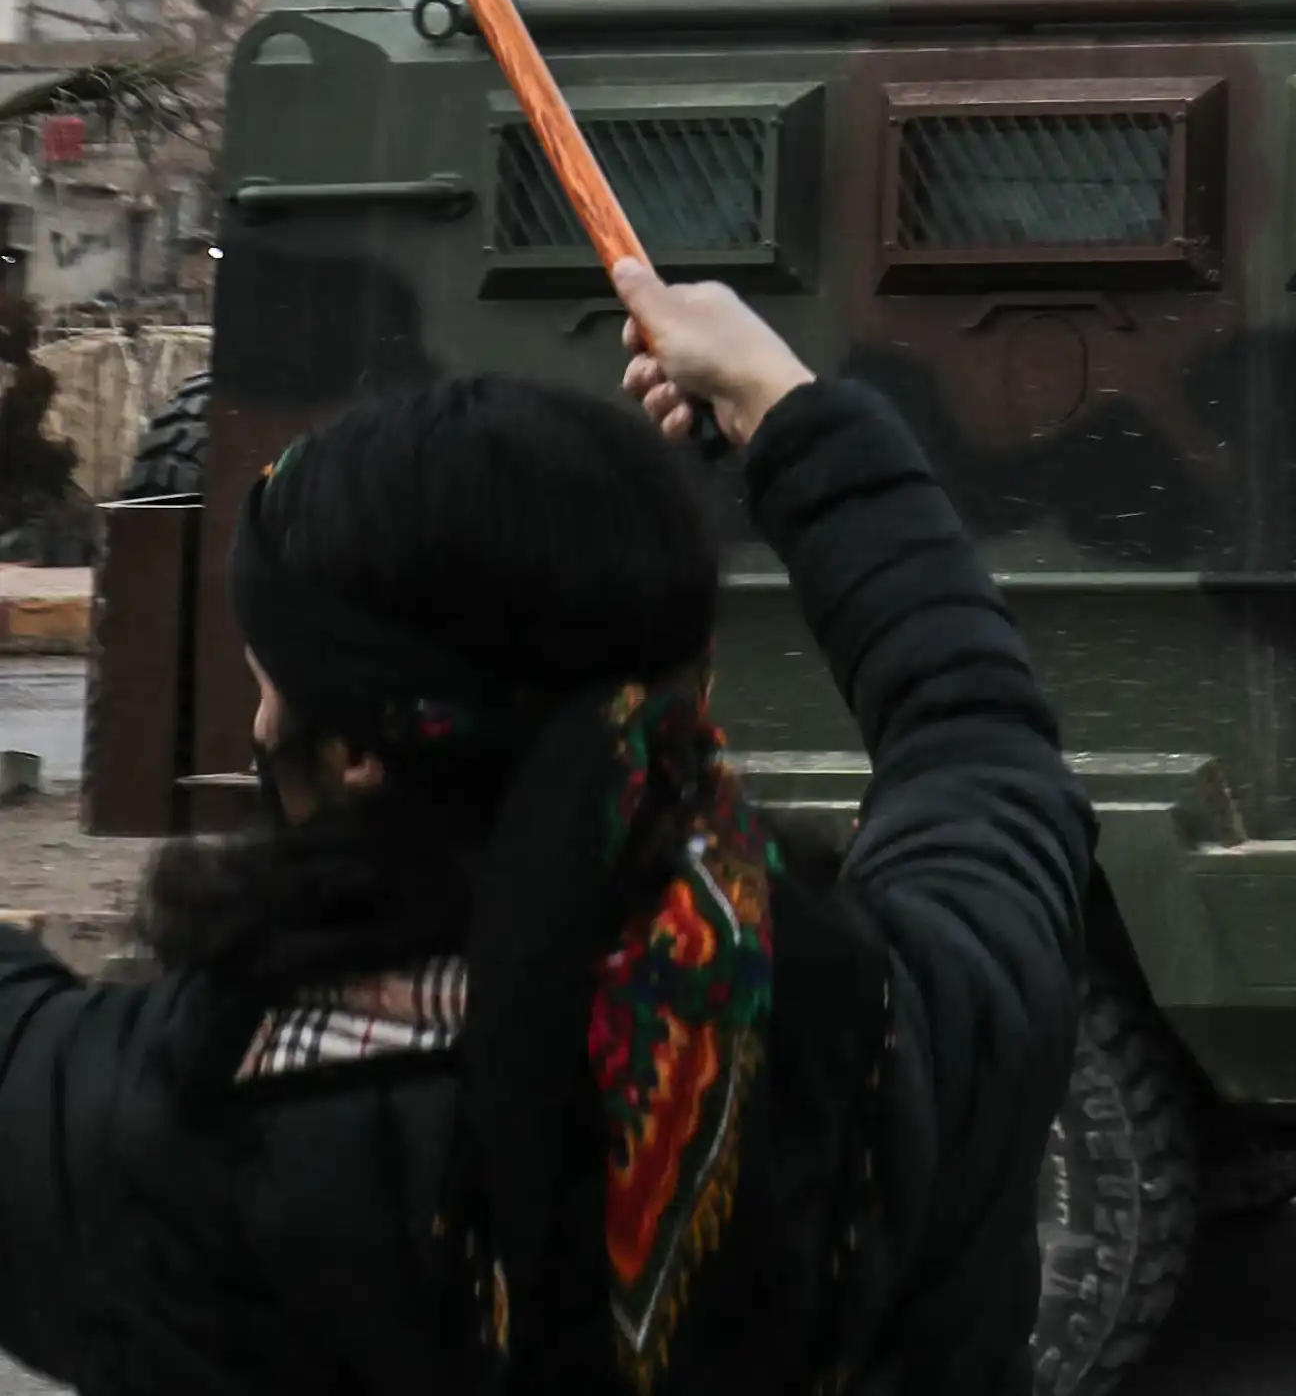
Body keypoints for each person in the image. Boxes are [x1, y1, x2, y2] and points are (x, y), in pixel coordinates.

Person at [0, 266, 1093, 1395]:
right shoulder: (905, 1031)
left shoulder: (153, 1127)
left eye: (270, 681)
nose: (262, 718)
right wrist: (783, 403)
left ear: (360, 749)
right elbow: (978, 741)